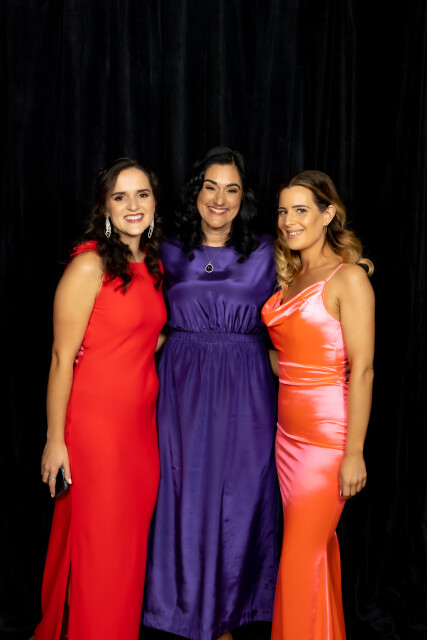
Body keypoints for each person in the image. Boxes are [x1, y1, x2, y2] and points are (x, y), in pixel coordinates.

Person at [141, 147, 281, 640]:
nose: (220, 199)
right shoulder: (166, 250)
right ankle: (181, 614)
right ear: (196, 192)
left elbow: (309, 295)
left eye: (232, 189)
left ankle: (227, 618)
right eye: (211, 186)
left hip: (247, 389)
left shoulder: (268, 251)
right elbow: (144, 318)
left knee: (241, 498)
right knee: (182, 493)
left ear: (244, 198)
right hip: (182, 387)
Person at [34, 158, 166, 640]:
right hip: (97, 430)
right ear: (105, 208)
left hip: (141, 433)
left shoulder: (152, 264)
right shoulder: (88, 265)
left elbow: (142, 334)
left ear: (154, 202)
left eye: (142, 194)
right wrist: (55, 440)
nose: (133, 205)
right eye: (120, 196)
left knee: (127, 549)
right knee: (102, 550)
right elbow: (60, 357)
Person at [261, 170, 375, 640]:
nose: (288, 220)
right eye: (283, 211)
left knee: (298, 562)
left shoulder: (349, 278)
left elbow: (362, 370)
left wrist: (354, 453)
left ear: (328, 215)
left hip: (326, 444)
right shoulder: (291, 276)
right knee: (315, 559)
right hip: (286, 440)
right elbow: (288, 361)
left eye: (301, 210)